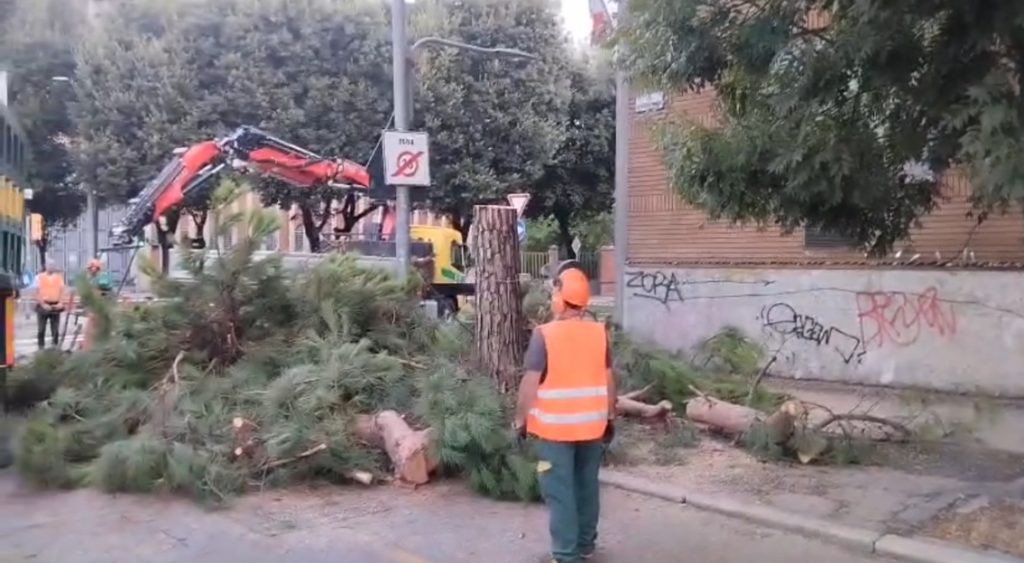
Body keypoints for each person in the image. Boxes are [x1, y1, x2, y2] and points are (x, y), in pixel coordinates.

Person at [515, 262, 616, 563]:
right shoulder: (599, 334)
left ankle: (565, 555)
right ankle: (585, 545)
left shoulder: (545, 335)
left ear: (560, 299)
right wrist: (610, 418)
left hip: (554, 432)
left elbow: (529, 384)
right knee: (587, 487)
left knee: (559, 492)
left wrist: (520, 421)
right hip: (592, 428)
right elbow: (609, 379)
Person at [35, 261, 65, 350]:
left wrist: (61, 303)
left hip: (55, 305)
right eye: (49, 265)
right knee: (41, 329)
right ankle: (41, 347)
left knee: (55, 329)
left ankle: (55, 347)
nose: (51, 267)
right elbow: (36, 293)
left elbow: (62, 291)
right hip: (43, 305)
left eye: (53, 265)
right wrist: (43, 304)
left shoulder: (59, 278)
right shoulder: (39, 277)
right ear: (45, 266)